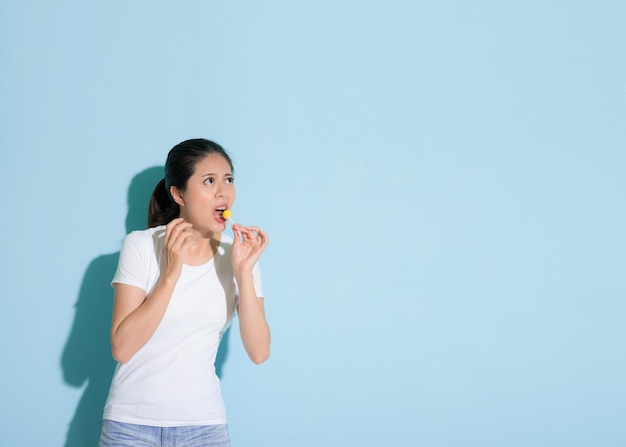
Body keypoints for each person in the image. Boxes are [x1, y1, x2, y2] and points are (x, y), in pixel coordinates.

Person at [99, 138, 270, 447]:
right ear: (178, 194)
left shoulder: (240, 256)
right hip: (130, 426)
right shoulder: (141, 245)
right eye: (209, 181)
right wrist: (170, 274)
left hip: (204, 427)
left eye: (228, 180)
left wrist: (244, 273)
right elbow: (121, 349)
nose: (223, 192)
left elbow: (259, 352)